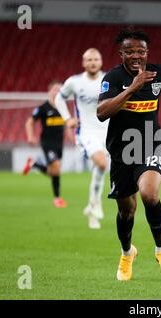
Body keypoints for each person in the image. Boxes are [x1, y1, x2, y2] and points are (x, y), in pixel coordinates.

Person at [97, 29, 161, 281]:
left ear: (147, 53)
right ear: (121, 54)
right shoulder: (113, 78)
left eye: (141, 51)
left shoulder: (159, 73)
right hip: (121, 150)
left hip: (150, 141)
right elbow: (102, 113)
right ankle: (127, 253)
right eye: (130, 51)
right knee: (127, 210)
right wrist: (132, 88)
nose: (136, 56)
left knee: (149, 193)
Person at [54, 48, 109, 229]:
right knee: (101, 163)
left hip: (109, 132)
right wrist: (67, 118)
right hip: (87, 132)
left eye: (96, 59)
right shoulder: (75, 82)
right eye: (89, 59)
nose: (92, 62)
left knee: (102, 169)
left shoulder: (110, 79)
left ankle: (92, 207)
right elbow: (59, 99)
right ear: (83, 63)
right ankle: (95, 203)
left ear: (101, 62)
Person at [23, 81, 70, 208]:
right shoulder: (43, 108)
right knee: (56, 168)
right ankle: (57, 199)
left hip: (59, 144)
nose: (57, 92)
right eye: (55, 89)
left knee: (54, 171)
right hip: (47, 143)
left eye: (60, 90)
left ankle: (34, 164)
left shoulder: (63, 107)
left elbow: (68, 124)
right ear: (49, 92)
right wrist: (30, 136)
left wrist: (72, 136)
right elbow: (29, 122)